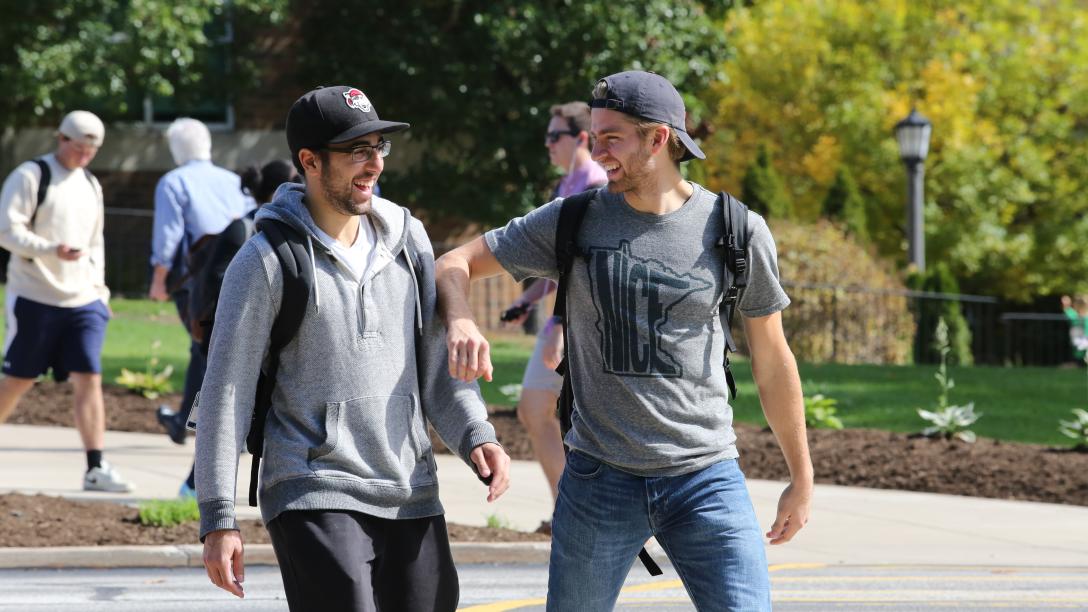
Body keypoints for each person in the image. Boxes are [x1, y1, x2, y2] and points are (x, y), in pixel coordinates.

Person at [436, 71, 813, 610]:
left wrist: (801, 477)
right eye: (593, 135)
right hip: (598, 481)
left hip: (705, 479)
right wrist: (461, 321)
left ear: (659, 139)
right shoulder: (575, 218)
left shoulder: (735, 229)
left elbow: (773, 362)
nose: (596, 150)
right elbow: (453, 263)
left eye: (612, 137)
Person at [195, 85, 511, 611]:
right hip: (312, 485)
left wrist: (477, 435)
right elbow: (227, 390)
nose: (373, 165)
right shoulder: (266, 261)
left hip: (409, 487)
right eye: (356, 151)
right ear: (310, 161)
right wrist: (218, 518)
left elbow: (436, 369)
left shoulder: (410, 242)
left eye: (379, 148)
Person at [0, 111, 131, 492]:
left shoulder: (91, 184)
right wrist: (49, 249)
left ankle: (95, 466)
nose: (85, 155)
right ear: (60, 138)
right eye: (79, 146)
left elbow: (95, 243)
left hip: (84, 299)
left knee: (89, 377)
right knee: (19, 379)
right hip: (35, 295)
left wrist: (100, 291)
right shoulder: (31, 176)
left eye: (92, 149)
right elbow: (7, 230)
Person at [165, 159, 302, 499]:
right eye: (295, 180)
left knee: (241, 416)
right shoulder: (243, 230)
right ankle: (195, 485)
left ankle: (203, 483)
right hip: (224, 341)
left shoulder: (277, 231)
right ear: (275, 190)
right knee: (221, 413)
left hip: (259, 343)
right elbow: (218, 288)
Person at [501, 101, 607, 511]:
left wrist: (560, 325)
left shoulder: (597, 188)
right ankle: (569, 510)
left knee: (586, 423)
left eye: (554, 136)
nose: (547, 144)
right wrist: (526, 300)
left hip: (588, 327)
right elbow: (558, 264)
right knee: (535, 409)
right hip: (560, 324)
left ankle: (594, 516)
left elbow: (583, 270)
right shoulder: (563, 189)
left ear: (581, 137)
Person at [149, 118, 251, 454]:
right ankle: (184, 421)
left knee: (208, 353)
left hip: (196, 285)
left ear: (176, 149)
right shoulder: (233, 181)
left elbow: (169, 235)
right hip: (239, 278)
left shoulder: (173, 182)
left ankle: (203, 426)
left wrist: (160, 279)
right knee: (206, 351)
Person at [1061, 294, 1088, 364]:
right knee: (1080, 350)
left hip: (1083, 338)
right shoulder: (1074, 315)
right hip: (1079, 338)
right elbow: (1067, 310)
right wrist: (1066, 304)